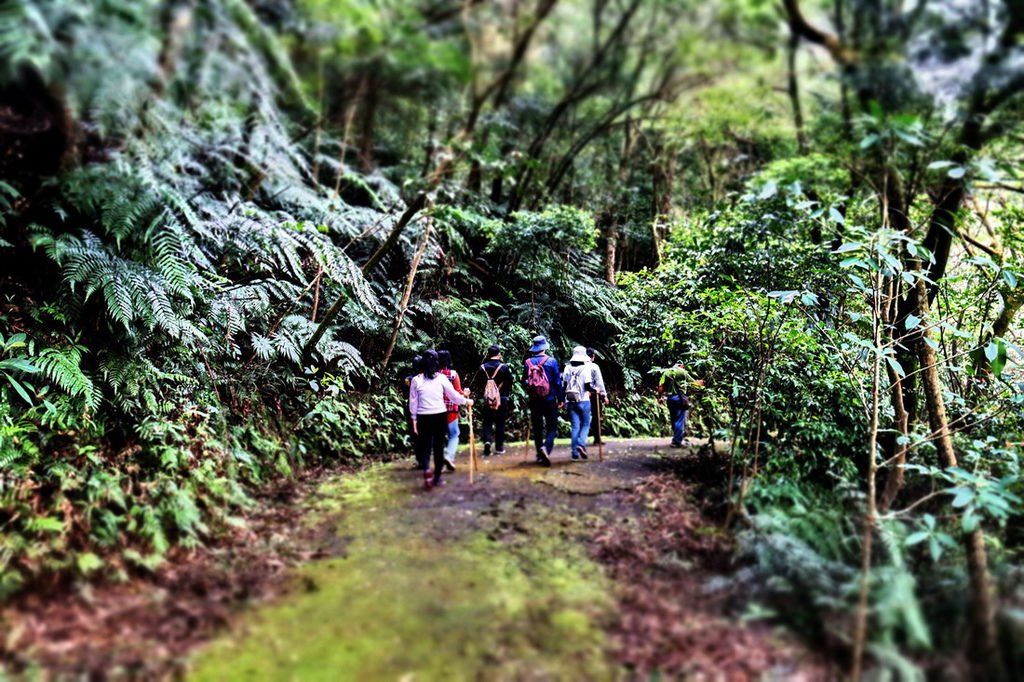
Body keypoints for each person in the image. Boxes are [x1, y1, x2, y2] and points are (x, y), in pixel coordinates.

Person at [410, 349, 471, 488]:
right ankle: (437, 477)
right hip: (439, 415)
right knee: (438, 446)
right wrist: (466, 401)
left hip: (422, 416)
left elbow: (413, 402)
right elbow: (454, 396)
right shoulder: (441, 378)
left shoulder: (416, 380)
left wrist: (414, 419)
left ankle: (426, 470)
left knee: (426, 446)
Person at [524, 335, 562, 466]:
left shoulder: (528, 362)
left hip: (534, 400)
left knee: (537, 427)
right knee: (552, 427)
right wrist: (560, 398)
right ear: (544, 347)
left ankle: (539, 454)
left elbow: (525, 381)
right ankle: (546, 448)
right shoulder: (552, 361)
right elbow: (557, 382)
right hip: (549, 399)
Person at [562, 346, 600, 460]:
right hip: (583, 400)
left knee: (575, 427)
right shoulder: (585, 368)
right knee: (586, 424)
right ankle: (581, 444)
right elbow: (587, 386)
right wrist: (595, 390)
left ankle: (574, 454)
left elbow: (564, 385)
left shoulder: (567, 368)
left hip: (570, 400)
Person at [657, 362, 701, 448]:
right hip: (680, 399)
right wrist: (701, 383)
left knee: (674, 419)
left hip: (670, 399)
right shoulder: (683, 372)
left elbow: (661, 386)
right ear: (681, 366)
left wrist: (659, 397)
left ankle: (677, 438)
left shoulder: (667, 372)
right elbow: (694, 384)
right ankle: (676, 441)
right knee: (680, 420)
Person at [479, 344, 512, 457]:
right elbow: (510, 382)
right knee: (500, 422)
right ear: (499, 354)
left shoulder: (482, 367)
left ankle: (487, 441)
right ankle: (499, 448)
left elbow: (480, 385)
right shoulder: (504, 367)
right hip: (502, 398)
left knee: (487, 421)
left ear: (489, 354)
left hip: (487, 398)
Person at [437, 350, 463, 472]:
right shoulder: (453, 374)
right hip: (451, 410)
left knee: (439, 437)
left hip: (436, 410)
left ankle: (440, 462)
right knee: (454, 435)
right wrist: (465, 394)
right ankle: (449, 456)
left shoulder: (433, 375)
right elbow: (457, 392)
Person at [402, 354, 428, 469]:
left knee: (415, 435)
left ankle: (420, 459)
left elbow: (404, 393)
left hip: (413, 409)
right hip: (424, 408)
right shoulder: (426, 378)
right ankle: (424, 459)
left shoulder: (409, 379)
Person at [584, 347, 608, 452]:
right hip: (594, 394)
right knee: (596, 416)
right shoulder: (594, 367)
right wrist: (604, 395)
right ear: (593, 356)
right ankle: (597, 438)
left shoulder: (579, 366)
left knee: (582, 416)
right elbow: (599, 382)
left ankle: (580, 440)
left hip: (582, 394)